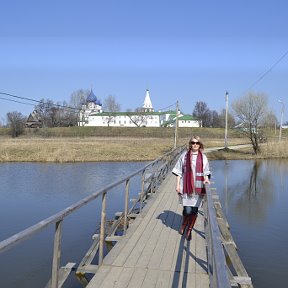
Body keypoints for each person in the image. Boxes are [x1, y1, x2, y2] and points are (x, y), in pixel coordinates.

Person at [172, 136, 210, 240]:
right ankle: (184, 224)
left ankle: (189, 230)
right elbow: (179, 172)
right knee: (187, 210)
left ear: (200, 145)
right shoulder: (184, 156)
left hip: (198, 188)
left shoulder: (204, 157)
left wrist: (206, 179)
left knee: (194, 211)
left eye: (197, 143)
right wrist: (177, 185)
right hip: (186, 187)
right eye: (193, 143)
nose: (195, 145)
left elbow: (206, 171)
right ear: (190, 144)